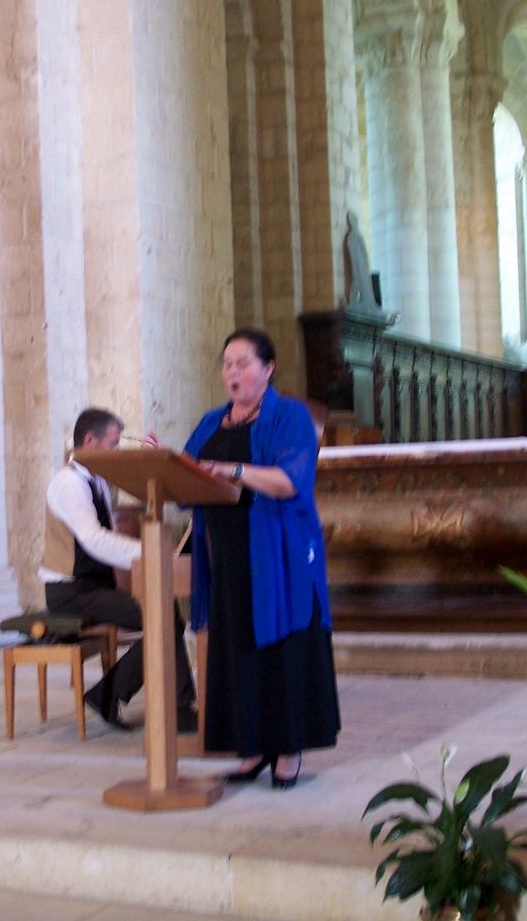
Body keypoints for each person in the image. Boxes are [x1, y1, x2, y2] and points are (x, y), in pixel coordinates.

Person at [183, 328, 340, 788]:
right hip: (226, 562)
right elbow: (188, 473)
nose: (232, 372)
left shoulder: (289, 416)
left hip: (280, 557)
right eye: (227, 363)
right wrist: (165, 464)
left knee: (281, 652)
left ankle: (288, 752)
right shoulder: (212, 421)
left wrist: (232, 470)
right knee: (238, 654)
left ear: (267, 369)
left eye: (242, 363)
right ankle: (251, 749)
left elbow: (290, 481)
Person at [40, 407, 197, 732]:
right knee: (164, 617)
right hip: (70, 592)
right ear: (89, 440)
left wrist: (152, 461)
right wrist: (149, 551)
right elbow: (95, 540)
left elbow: (139, 490)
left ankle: (115, 694)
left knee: (166, 614)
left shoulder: (95, 480)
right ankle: (159, 703)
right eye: (113, 444)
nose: (116, 452)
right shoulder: (68, 484)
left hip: (94, 587)